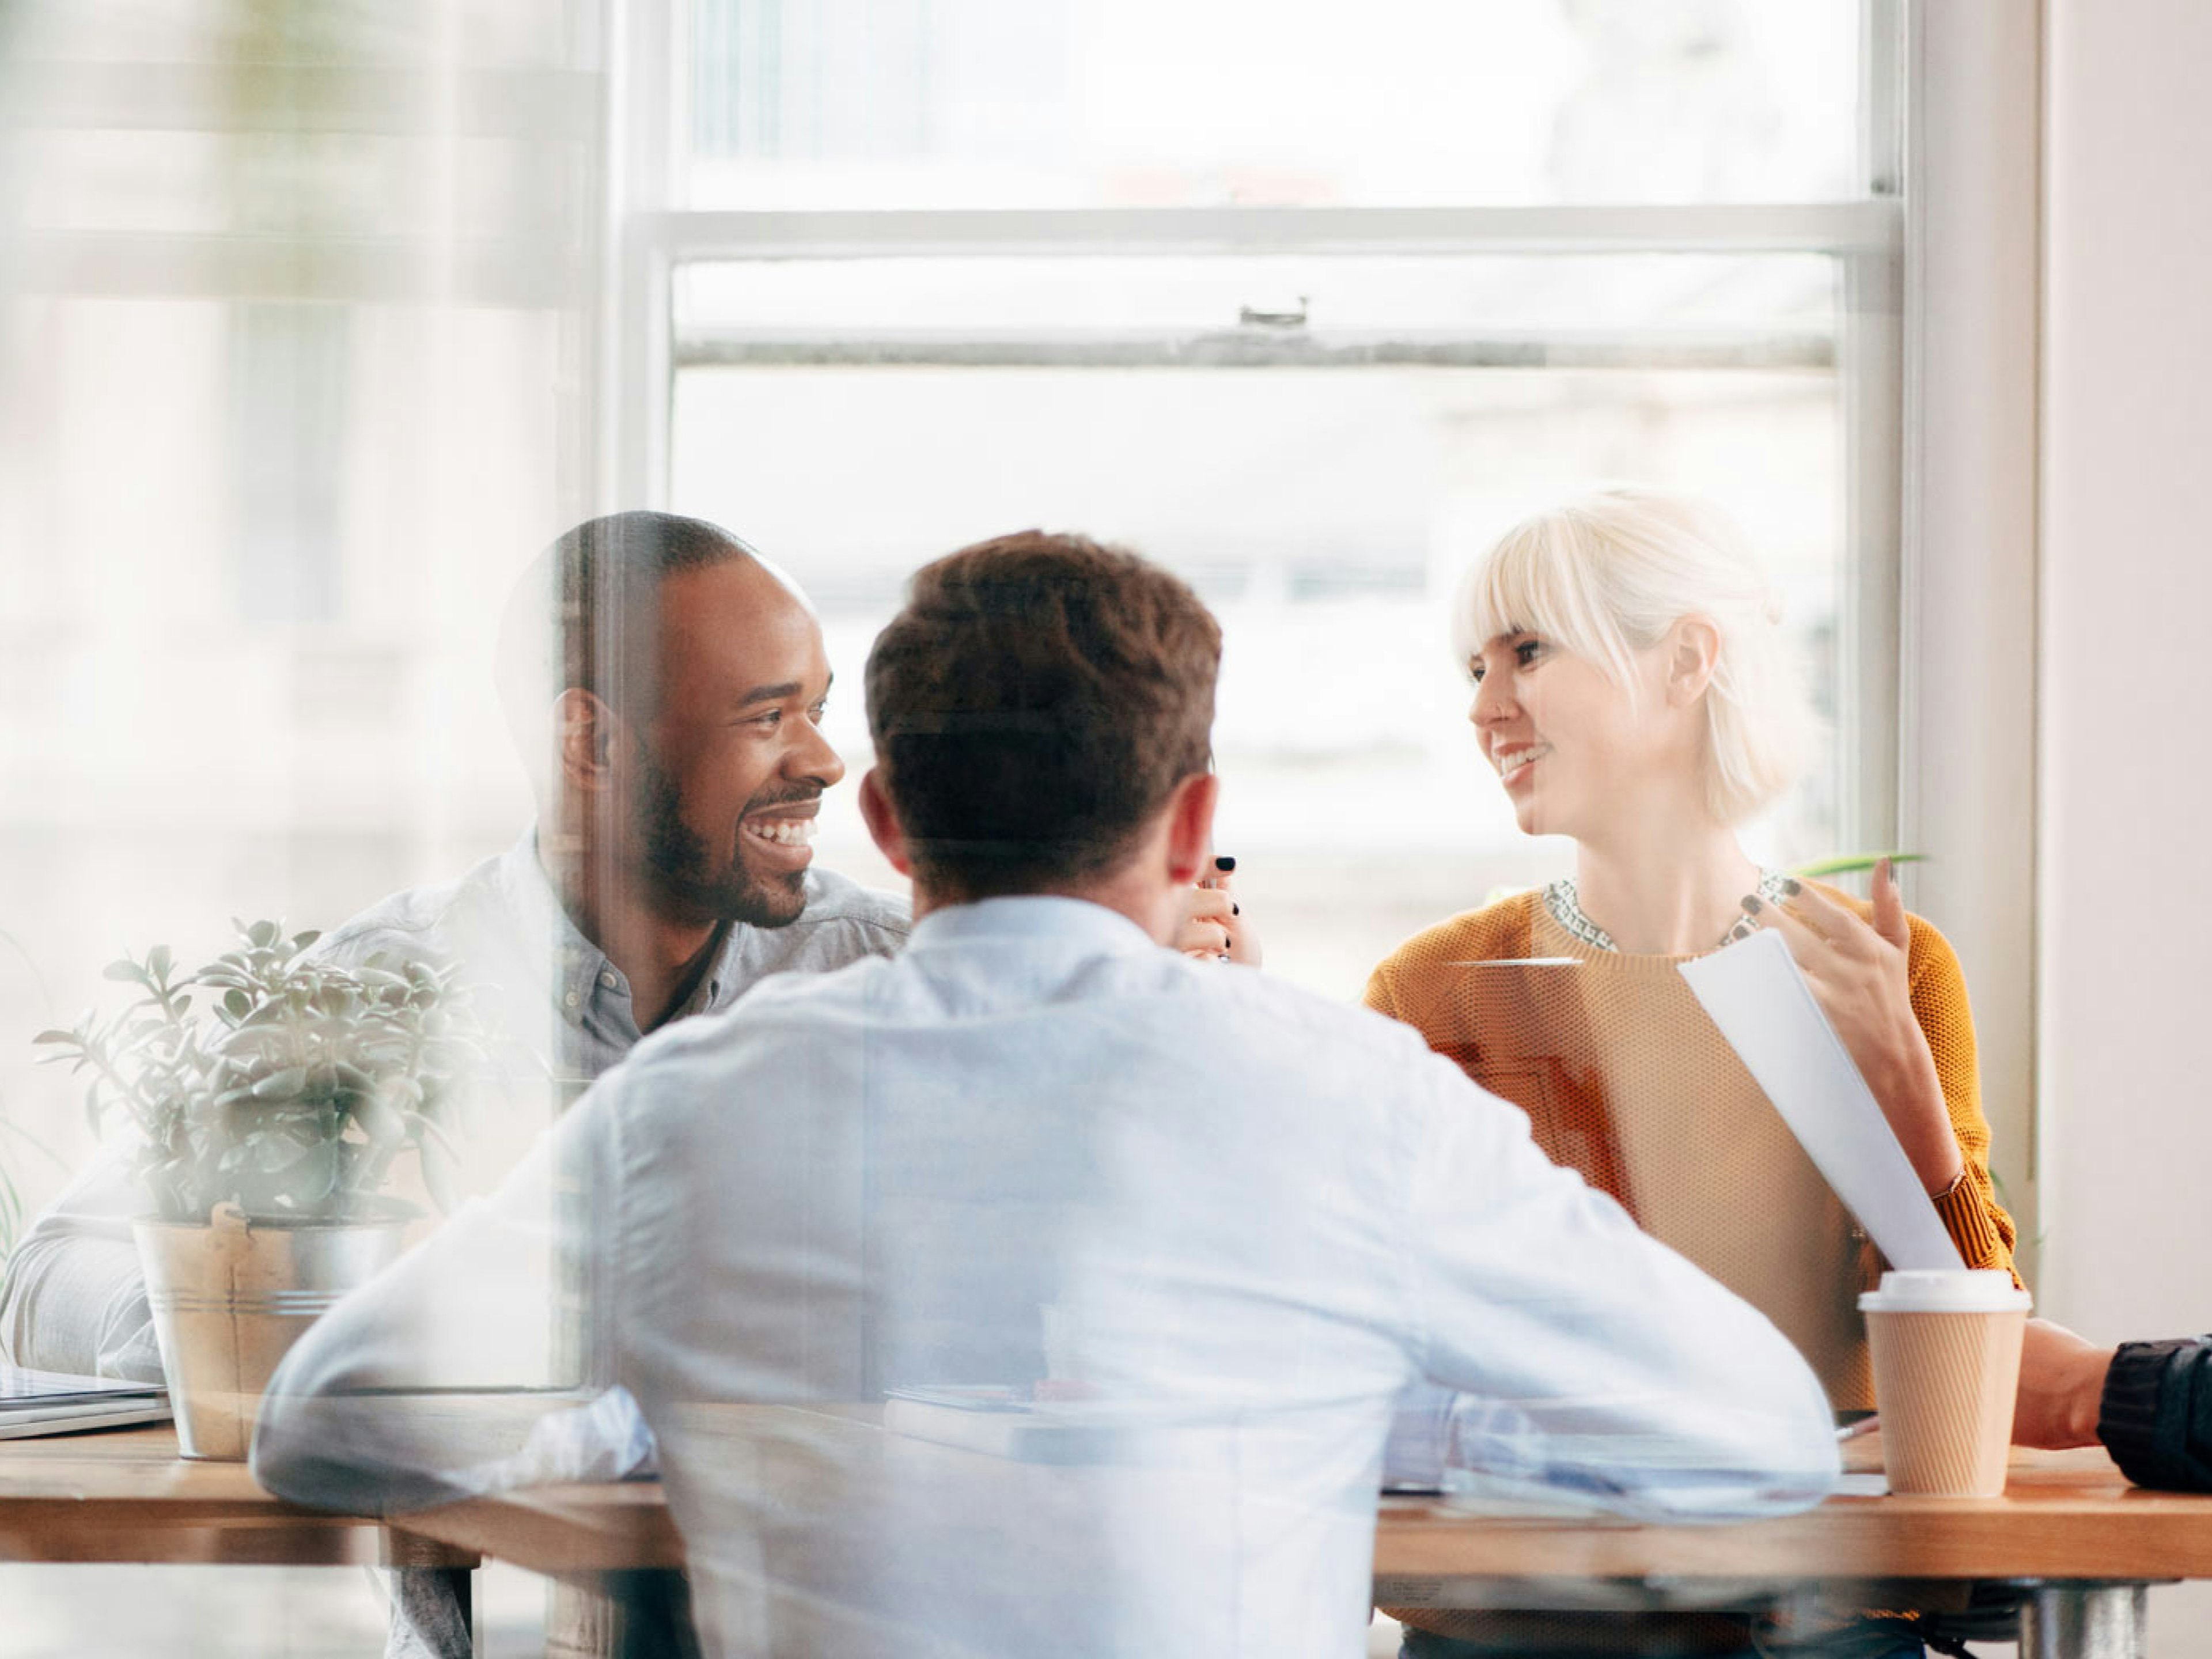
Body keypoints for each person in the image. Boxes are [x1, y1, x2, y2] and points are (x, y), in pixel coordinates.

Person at [250, 529, 1840, 1659]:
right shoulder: (1348, 1098)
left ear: (884, 815)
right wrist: (1369, 1418)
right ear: (1189, 820)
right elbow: (1762, 1437)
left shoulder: (688, 1112)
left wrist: (646, 1403)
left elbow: (324, 1427)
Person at [1361, 486, 2180, 1657]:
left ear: (1688, 660)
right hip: (1532, 1608)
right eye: (1473, 670)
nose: (1486, 708)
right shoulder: (1433, 988)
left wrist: (1900, 1080)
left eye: (1527, 653)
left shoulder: (1878, 965)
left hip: (1821, 1607)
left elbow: (1971, 1365)